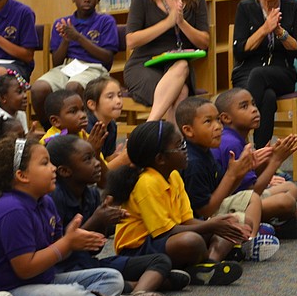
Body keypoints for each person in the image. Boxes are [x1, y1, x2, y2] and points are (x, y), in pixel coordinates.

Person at [0, 135, 166, 296]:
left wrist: (75, 242)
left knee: (111, 278)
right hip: (6, 294)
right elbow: (25, 268)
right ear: (22, 176)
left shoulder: (45, 202)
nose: (53, 168)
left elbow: (55, 255)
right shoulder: (12, 209)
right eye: (44, 163)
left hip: (42, 280)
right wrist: (67, 243)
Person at [105, 120, 246, 286]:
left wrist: (218, 225)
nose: (186, 150)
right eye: (180, 146)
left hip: (166, 237)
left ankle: (207, 265)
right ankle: (205, 263)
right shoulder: (146, 182)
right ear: (160, 158)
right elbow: (164, 232)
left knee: (228, 224)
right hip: (138, 249)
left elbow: (186, 220)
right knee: (192, 241)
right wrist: (210, 226)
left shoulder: (173, 176)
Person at [46, 135, 190, 294]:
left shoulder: (92, 195)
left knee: (160, 260)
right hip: (63, 271)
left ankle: (136, 291)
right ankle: (138, 289)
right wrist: (96, 220)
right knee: (109, 279)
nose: (97, 164)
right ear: (65, 171)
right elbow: (57, 253)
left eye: (95, 157)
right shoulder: (54, 198)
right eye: (88, 159)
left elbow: (95, 249)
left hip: (89, 264)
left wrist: (104, 222)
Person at [175, 97, 281, 261]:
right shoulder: (193, 163)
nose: (218, 126)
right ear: (189, 131)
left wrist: (241, 172)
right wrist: (233, 174)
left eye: (217, 119)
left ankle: (241, 243)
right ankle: (212, 261)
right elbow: (206, 210)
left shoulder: (205, 151)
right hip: (195, 224)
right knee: (238, 220)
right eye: (208, 122)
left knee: (243, 218)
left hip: (205, 219)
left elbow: (223, 192)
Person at [212, 87, 297, 237]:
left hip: (241, 197)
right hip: (226, 205)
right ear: (226, 118)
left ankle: (279, 221)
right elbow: (252, 192)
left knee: (290, 187)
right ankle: (279, 225)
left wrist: (265, 160)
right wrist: (275, 161)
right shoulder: (231, 143)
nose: (254, 110)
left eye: (253, 104)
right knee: (286, 202)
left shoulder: (236, 138)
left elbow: (245, 183)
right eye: (244, 107)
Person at [123, 0, 209, 122]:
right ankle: (172, 144)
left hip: (177, 65)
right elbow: (131, 40)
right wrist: (168, 22)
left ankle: (151, 128)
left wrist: (181, 22)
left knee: (183, 67)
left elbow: (204, 42)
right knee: (180, 92)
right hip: (143, 64)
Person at [231, 0, 297, 148]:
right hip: (246, 74)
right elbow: (239, 50)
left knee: (261, 76)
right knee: (268, 97)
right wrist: (264, 29)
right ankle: (262, 158)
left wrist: (280, 32)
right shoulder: (245, 8)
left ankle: (237, 134)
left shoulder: (293, 7)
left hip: (282, 73)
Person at [31, 0, 118, 128]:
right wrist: (66, 39)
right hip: (67, 66)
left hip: (94, 68)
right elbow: (56, 62)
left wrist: (79, 38)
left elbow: (107, 60)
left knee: (73, 86)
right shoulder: (63, 23)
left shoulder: (106, 21)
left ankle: (80, 129)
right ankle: (50, 130)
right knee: (38, 88)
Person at [84, 76, 126, 167]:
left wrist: (115, 157)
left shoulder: (112, 125)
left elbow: (106, 159)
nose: (118, 101)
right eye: (110, 97)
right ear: (92, 104)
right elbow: (95, 170)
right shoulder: (88, 128)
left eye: (119, 95)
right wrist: (121, 160)